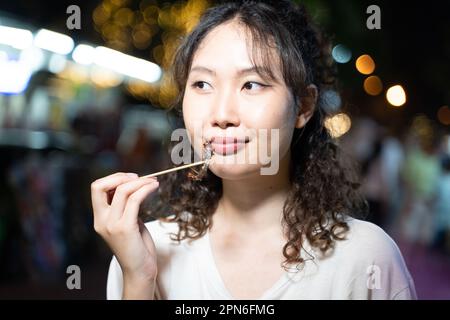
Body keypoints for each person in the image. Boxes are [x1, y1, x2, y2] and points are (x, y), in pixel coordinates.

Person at [91, 0, 416, 300]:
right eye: (202, 84)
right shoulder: (145, 251)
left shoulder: (366, 259)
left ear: (303, 106)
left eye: (251, 84)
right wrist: (139, 277)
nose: (221, 115)